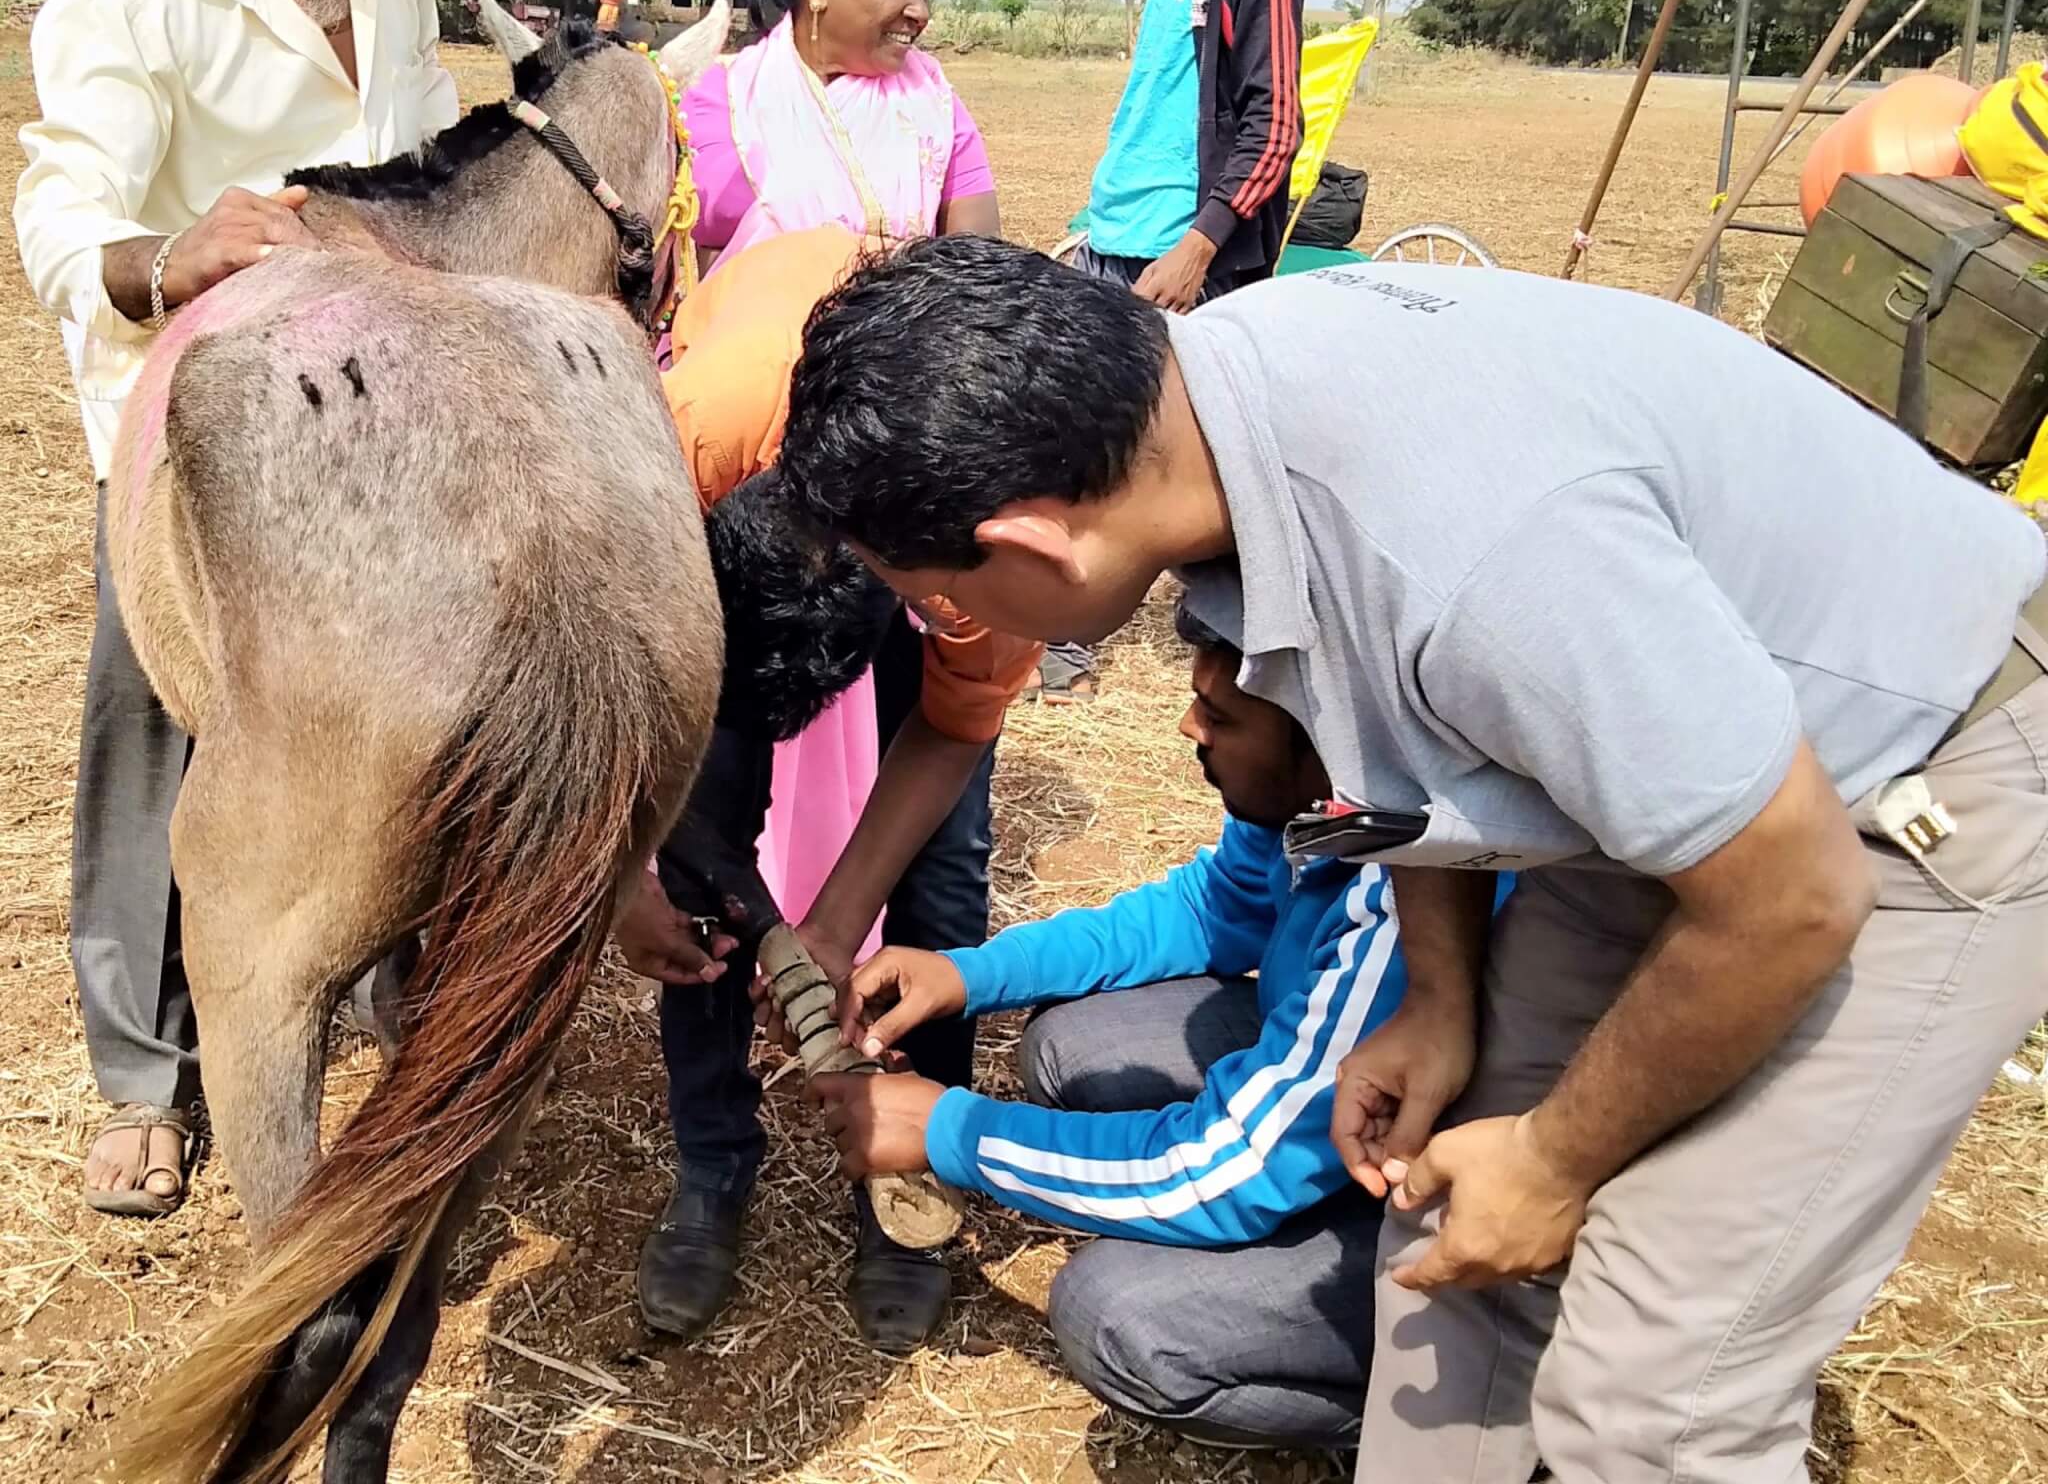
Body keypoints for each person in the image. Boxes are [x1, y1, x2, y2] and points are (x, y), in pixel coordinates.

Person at [771, 234, 2048, 1482]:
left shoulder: (1478, 565)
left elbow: (1789, 897)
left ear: (1037, 546)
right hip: (1660, 771)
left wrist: (1553, 1159)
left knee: (1651, 1397)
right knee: (1448, 1232)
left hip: (1913, 774)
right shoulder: (1217, 412)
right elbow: (1405, 740)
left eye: (939, 591)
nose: (950, 626)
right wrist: (1440, 1000)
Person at [789, 599, 1505, 1449]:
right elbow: (1204, 911)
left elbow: (1225, 1172)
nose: (1185, 726)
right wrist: (966, 975)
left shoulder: (1404, 912)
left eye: (1222, 716)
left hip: (1417, 1195)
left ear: (1325, 742)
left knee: (1121, 1319)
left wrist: (951, 1131)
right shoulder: (1314, 812)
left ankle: (1445, 1417)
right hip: (1322, 1102)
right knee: (1070, 1048)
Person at [12, 0, 458, 1216]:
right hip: (192, 430)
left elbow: (418, 126)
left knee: (387, 716)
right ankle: (148, 1076)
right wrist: (169, 259)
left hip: (378, 418)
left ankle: (374, 981)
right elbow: (61, 211)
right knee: (155, 726)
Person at [619, 225, 1039, 1353]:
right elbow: (601, 681)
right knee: (701, 871)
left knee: (940, 884)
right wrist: (623, 875)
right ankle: (712, 1167)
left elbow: (949, 731)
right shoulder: (684, 442)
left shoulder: (982, 556)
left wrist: (839, 921)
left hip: (910, 483)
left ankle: (907, 1184)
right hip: (728, 479)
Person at [1033, 0, 1303, 705]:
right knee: (1074, 438)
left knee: (1208, 460)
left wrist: (1200, 244)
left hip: (1183, 254)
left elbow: (1277, 122)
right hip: (1112, 237)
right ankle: (1066, 643)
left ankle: (1238, 659)